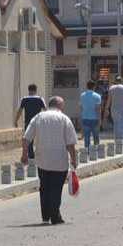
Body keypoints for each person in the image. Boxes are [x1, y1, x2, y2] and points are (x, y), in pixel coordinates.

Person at [22, 96, 78, 225]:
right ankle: (55, 215)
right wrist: (74, 160)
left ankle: (45, 216)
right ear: (60, 106)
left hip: (42, 160)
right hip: (59, 161)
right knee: (56, 189)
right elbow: (70, 143)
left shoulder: (38, 117)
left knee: (44, 188)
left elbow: (26, 138)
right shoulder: (64, 119)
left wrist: (24, 155)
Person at [14, 84, 46, 160]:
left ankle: (31, 156)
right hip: (39, 122)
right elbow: (45, 110)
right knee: (40, 138)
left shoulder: (24, 99)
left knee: (28, 139)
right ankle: (40, 154)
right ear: (36, 90)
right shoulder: (40, 99)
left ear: (28, 90)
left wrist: (16, 120)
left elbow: (19, 111)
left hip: (28, 122)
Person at [102, 76, 123, 143]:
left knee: (115, 123)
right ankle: (120, 139)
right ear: (121, 81)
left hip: (113, 108)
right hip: (122, 108)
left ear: (115, 81)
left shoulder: (111, 88)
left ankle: (116, 139)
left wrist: (106, 109)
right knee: (121, 123)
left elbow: (109, 99)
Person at [79, 80, 102, 151]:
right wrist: (100, 120)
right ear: (94, 87)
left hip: (85, 118)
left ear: (87, 86)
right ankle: (96, 151)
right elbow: (98, 109)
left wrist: (81, 119)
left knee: (86, 137)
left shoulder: (82, 95)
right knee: (96, 137)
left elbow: (81, 108)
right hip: (94, 119)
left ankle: (87, 151)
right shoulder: (97, 96)